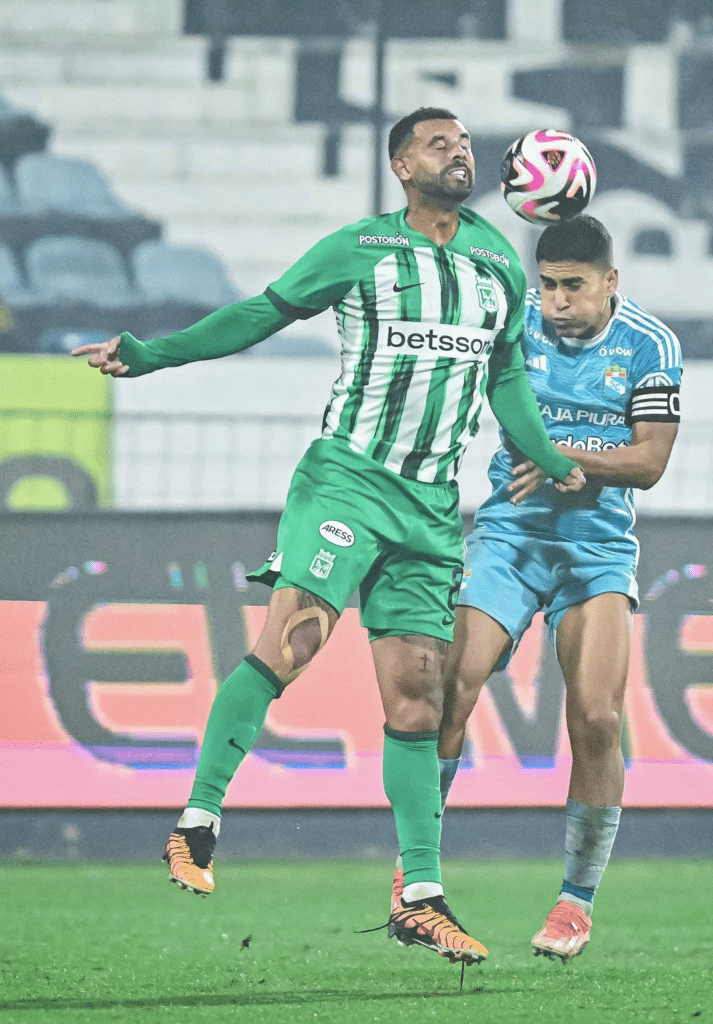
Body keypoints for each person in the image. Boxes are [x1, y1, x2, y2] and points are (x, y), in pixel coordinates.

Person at [72, 107, 584, 966]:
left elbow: (505, 380)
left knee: (418, 697)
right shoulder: (361, 249)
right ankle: (197, 820)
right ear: (399, 166)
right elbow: (259, 313)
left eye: (464, 144)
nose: (457, 153)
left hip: (429, 508)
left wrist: (547, 456)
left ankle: (420, 895)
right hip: (346, 479)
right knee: (295, 639)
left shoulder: (499, 261)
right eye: (437, 144)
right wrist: (152, 354)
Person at [389, 214, 682, 962]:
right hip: (509, 537)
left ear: (609, 282)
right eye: (548, 285)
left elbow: (649, 461)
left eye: (573, 287)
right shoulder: (511, 327)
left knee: (595, 718)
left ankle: (573, 904)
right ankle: (413, 878)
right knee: (450, 682)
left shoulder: (649, 345)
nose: (556, 301)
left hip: (595, 550)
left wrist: (563, 455)